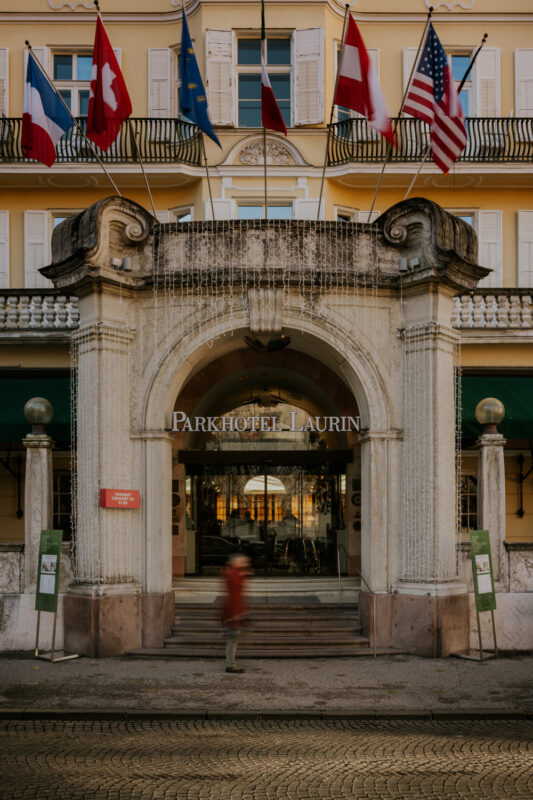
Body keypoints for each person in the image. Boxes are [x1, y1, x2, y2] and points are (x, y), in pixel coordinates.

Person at [221, 553, 252, 674]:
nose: (246, 564)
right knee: (232, 640)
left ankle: (231, 663)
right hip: (233, 613)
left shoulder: (234, 573)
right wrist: (234, 615)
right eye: (244, 562)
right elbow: (234, 597)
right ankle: (230, 665)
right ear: (236, 562)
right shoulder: (233, 574)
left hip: (235, 612)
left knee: (233, 640)